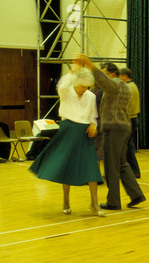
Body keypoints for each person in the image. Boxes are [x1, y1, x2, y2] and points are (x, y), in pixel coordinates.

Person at [29, 63, 105, 217]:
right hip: (68, 129)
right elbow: (63, 84)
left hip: (84, 133)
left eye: (87, 86)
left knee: (92, 167)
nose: (84, 89)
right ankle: (66, 201)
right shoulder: (66, 91)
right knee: (66, 166)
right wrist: (72, 71)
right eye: (82, 85)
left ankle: (95, 203)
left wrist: (93, 125)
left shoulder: (90, 96)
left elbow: (93, 115)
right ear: (76, 82)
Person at [75, 54, 146, 210]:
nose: (102, 77)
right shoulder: (123, 86)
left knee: (111, 167)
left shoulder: (116, 84)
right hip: (122, 127)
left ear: (112, 74)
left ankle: (113, 201)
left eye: (105, 73)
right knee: (121, 164)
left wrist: (90, 65)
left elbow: (104, 81)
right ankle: (136, 195)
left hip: (114, 128)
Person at [119, 68, 141, 178]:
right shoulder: (133, 86)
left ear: (124, 76)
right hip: (133, 118)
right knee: (128, 145)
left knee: (127, 146)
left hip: (128, 118)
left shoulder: (128, 87)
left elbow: (126, 105)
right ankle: (133, 171)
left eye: (120, 76)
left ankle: (133, 170)